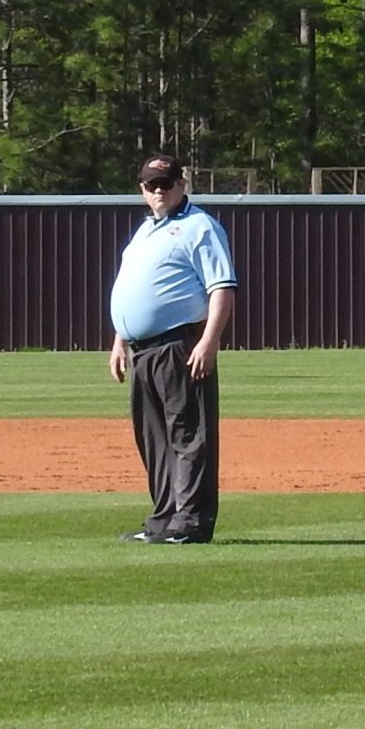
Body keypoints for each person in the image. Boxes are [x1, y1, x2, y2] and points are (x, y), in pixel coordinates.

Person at [107, 153, 238, 544]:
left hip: (179, 344)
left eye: (167, 183)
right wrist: (120, 339)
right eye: (152, 185)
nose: (159, 191)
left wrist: (208, 342)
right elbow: (132, 289)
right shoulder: (145, 231)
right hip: (141, 349)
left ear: (183, 185)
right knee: (154, 438)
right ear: (142, 190)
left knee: (187, 434)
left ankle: (192, 522)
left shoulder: (200, 226)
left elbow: (222, 288)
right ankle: (164, 518)